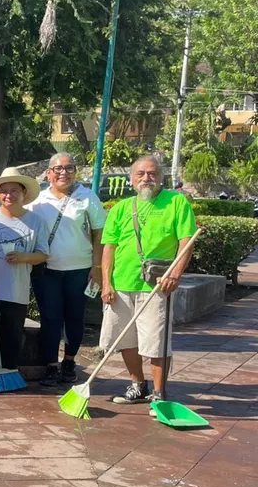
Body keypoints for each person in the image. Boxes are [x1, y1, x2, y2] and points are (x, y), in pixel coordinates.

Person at [100, 156, 197, 408]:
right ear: (132, 180)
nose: (146, 178)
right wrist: (106, 283)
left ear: (161, 177)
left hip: (157, 285)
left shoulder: (176, 202)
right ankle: (138, 384)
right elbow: (109, 248)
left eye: (152, 173)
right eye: (140, 174)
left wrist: (175, 272)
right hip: (121, 284)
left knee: (156, 342)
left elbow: (186, 240)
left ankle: (159, 392)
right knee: (124, 340)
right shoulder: (121, 208)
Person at [26, 151, 107, 385]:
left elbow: (99, 232)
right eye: (58, 169)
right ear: (49, 173)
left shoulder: (87, 197)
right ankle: (51, 364)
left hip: (79, 270)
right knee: (50, 318)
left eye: (69, 168)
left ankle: (69, 362)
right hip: (46, 269)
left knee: (74, 317)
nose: (64, 173)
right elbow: (18, 216)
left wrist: (97, 265)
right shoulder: (38, 200)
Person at [0, 168, 49, 373]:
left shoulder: (36, 222)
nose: (8, 195)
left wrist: (24, 257)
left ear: (24, 193)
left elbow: (43, 254)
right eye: (4, 191)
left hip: (16, 290)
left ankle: (7, 375)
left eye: (14, 190)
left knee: (12, 337)